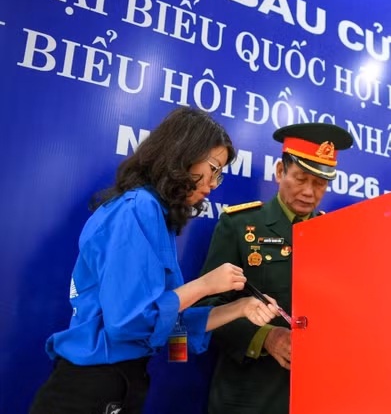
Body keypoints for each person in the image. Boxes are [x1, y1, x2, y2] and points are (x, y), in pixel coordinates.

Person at [29, 107, 280, 414]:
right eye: (213, 168)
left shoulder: (156, 216)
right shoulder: (139, 208)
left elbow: (166, 322)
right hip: (91, 386)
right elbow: (128, 322)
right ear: (182, 154)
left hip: (121, 383)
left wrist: (239, 308)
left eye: (220, 174)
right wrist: (204, 286)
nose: (214, 184)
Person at [199, 122, 354, 414]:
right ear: (280, 172)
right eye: (300, 179)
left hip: (319, 393)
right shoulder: (240, 225)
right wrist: (266, 337)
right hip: (251, 394)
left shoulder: (335, 234)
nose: (309, 192)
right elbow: (208, 307)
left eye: (320, 183)